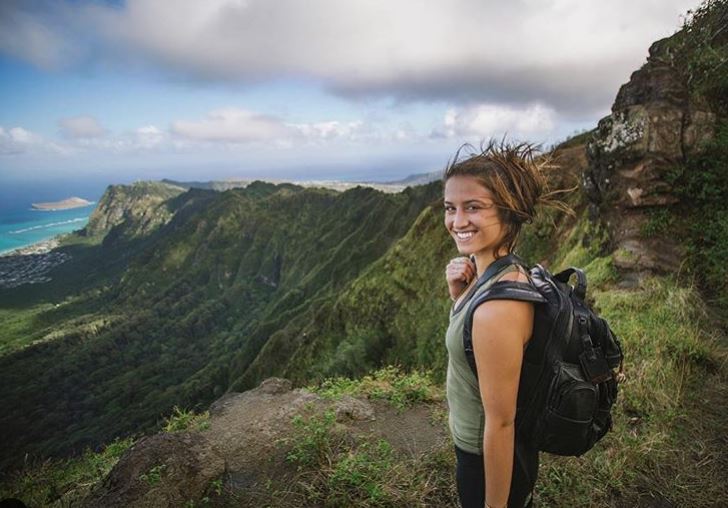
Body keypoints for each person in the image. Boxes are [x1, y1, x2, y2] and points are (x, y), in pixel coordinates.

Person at [443, 140, 566, 508]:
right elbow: (473, 349)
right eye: (451, 208)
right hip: (482, 448)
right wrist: (459, 297)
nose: (457, 221)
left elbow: (501, 425)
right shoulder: (498, 272)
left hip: (486, 459)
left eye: (474, 207)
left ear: (508, 212)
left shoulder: (497, 310)